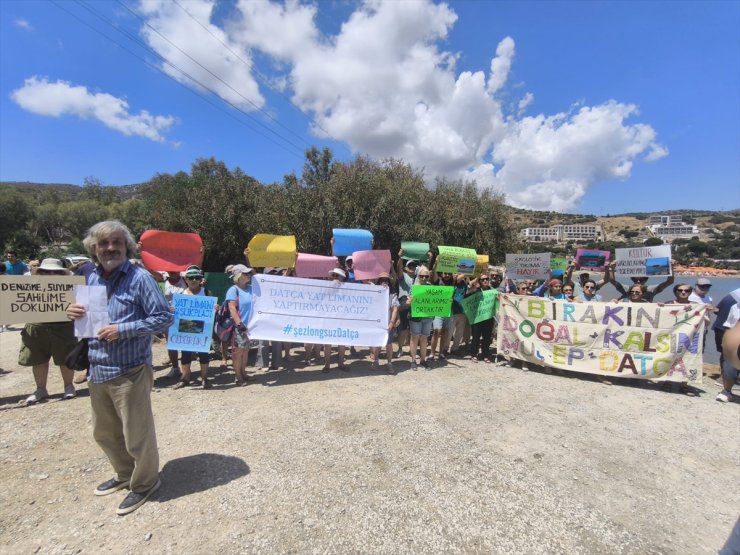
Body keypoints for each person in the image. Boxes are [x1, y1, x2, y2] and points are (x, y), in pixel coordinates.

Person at [66, 220, 173, 515]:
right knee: (105, 433)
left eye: (116, 242)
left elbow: (163, 318)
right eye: (104, 243)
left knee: (137, 434)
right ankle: (125, 475)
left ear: (127, 246)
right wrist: (72, 312)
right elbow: (86, 318)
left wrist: (122, 329)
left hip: (131, 370)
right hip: (98, 369)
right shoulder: (91, 278)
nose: (110, 248)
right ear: (93, 248)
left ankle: (145, 483)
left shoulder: (140, 279)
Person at [19, 259, 78, 405]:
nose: (51, 274)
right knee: (38, 360)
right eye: (46, 271)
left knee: (65, 359)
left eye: (55, 271)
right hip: (37, 326)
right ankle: (40, 390)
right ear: (39, 272)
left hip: (63, 326)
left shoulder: (73, 287)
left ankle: (69, 386)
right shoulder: (28, 286)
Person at [173, 266, 213, 390]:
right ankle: (185, 378)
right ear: (186, 279)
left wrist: (215, 307)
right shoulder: (181, 295)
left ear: (201, 279)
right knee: (185, 354)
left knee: (203, 353)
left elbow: (212, 309)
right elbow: (175, 313)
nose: (194, 280)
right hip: (186, 326)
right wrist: (172, 309)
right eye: (191, 277)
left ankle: (204, 378)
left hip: (203, 327)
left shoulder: (207, 292)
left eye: (197, 277)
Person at [224, 264, 255, 386]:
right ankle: (238, 376)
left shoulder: (251, 288)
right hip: (239, 326)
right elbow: (231, 308)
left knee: (245, 351)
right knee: (238, 352)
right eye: (245, 273)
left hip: (249, 326)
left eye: (248, 273)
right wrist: (239, 324)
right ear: (238, 276)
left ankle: (243, 373)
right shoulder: (233, 290)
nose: (248, 275)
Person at [371, 272, 400, 374]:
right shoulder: (373, 293)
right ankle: (375, 360)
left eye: (386, 280)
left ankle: (389, 363)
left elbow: (395, 309)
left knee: (388, 344)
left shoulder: (393, 295)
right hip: (376, 323)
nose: (384, 282)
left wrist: (391, 323)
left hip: (388, 323)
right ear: (378, 282)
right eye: (382, 280)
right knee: (376, 343)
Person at [465, 274, 495, 363]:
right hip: (477, 318)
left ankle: (485, 354)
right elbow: (467, 293)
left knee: (486, 337)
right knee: (476, 337)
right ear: (480, 281)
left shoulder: (492, 291)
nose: (485, 280)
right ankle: (474, 354)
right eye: (483, 279)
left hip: (488, 318)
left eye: (487, 279)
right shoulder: (476, 290)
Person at [609, 260, 674, 302]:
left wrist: (671, 268)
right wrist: (611, 268)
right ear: (632, 279)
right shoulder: (627, 288)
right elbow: (612, 280)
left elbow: (669, 281)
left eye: (642, 279)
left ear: (646, 280)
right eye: (635, 279)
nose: (638, 281)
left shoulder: (651, 289)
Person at [323, 268, 349, 372]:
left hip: (341, 317)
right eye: (337, 276)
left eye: (338, 276)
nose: (338, 279)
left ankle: (339, 363)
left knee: (341, 342)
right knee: (328, 342)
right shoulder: (325, 286)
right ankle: (327, 364)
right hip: (329, 318)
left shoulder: (346, 288)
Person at [408, 265, 434, 370]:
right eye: (422, 276)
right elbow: (409, 302)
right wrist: (409, 302)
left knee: (424, 338)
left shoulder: (431, 287)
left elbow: (436, 301)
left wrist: (447, 301)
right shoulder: (414, 288)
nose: (424, 278)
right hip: (416, 317)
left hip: (427, 317)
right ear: (418, 276)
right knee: (414, 338)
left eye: (426, 276)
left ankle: (423, 360)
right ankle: (413, 361)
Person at [162, 271, 187, 379]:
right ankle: (175, 368)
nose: (172, 272)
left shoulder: (185, 279)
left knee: (186, 342)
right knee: (171, 342)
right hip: (169, 316)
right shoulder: (162, 281)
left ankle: (187, 370)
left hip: (185, 316)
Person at [716, 302, 740, 403]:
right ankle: (727, 391)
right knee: (730, 368)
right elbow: (728, 325)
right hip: (735, 341)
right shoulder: (736, 306)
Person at [713, 288, 740, 371]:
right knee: (726, 355)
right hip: (732, 334)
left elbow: (716, 310)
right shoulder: (735, 306)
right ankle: (724, 376)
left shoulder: (729, 299)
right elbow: (728, 323)